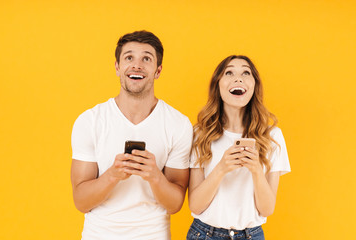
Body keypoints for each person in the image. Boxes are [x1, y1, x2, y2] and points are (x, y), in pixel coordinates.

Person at [71, 30, 193, 240]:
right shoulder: (90, 121)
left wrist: (155, 176)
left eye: (146, 58)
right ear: (118, 68)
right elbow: (81, 201)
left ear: (158, 70)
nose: (137, 65)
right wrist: (112, 175)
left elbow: (175, 205)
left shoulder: (178, 124)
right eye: (129, 58)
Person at [187, 55, 291, 240]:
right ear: (217, 85)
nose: (238, 78)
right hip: (204, 234)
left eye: (245, 72)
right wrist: (221, 168)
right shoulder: (200, 134)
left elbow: (267, 209)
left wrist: (257, 171)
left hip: (252, 235)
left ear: (254, 85)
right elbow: (195, 205)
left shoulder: (272, 137)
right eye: (229, 72)